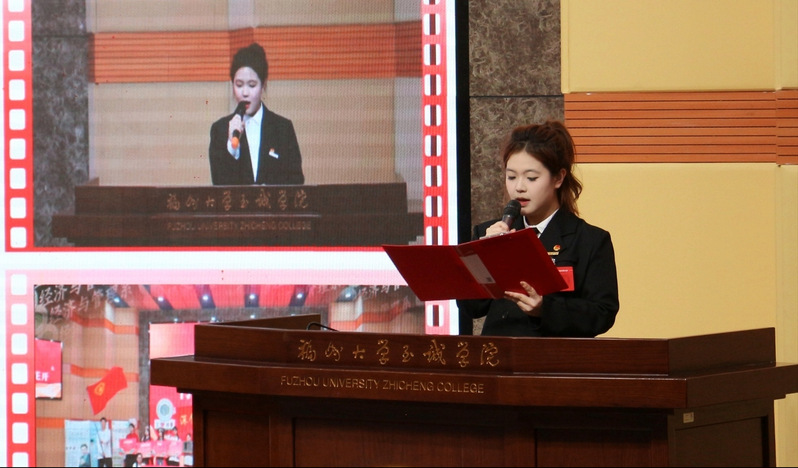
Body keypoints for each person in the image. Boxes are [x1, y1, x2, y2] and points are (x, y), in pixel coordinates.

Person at [456, 120, 619, 337]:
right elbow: (471, 308)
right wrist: (484, 256)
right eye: (511, 177)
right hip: (497, 353)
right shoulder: (487, 233)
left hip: (553, 355)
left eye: (531, 178)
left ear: (558, 178)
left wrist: (545, 309)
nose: (519, 187)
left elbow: (603, 313)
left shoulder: (589, 240)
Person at [209, 42, 305, 185]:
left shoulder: (283, 128)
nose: (245, 93)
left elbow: (296, 180)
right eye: (239, 85)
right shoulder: (220, 129)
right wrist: (232, 147)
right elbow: (219, 182)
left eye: (252, 85)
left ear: (263, 85)